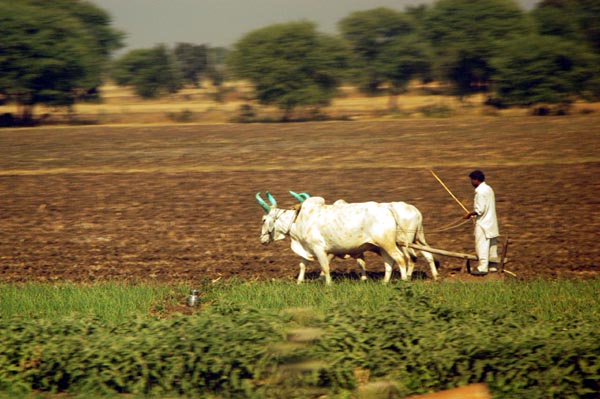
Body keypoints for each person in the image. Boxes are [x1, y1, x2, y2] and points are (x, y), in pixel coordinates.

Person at [463, 170, 499, 275]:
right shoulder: (489, 188)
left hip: (483, 224)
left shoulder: (480, 191)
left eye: (471, 180)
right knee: (492, 246)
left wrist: (469, 214)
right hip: (491, 223)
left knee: (481, 245)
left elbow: (480, 210)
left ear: (476, 179)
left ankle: (482, 268)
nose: (471, 182)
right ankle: (493, 267)